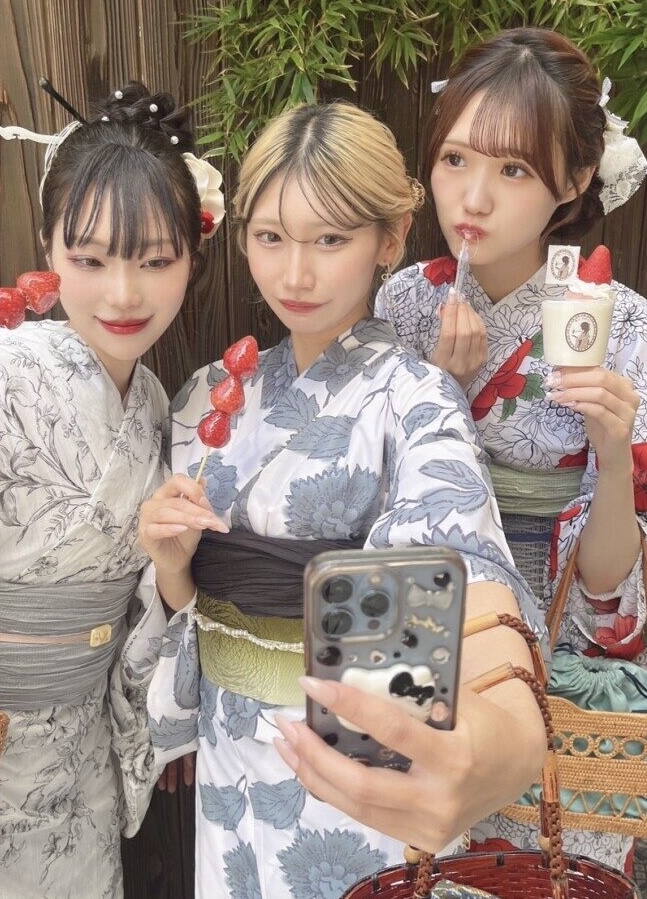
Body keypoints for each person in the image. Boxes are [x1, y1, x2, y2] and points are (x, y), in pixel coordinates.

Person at [140, 101, 549, 898]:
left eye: (329, 240)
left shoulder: (416, 400)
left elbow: (465, 569)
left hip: (357, 766)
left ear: (388, 240)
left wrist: (507, 733)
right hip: (230, 758)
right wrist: (173, 568)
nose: (295, 275)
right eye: (270, 237)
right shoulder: (204, 397)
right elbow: (188, 604)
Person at [0, 81, 224, 897]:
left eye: (155, 260)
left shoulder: (159, 405)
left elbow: (142, 610)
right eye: (88, 260)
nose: (122, 294)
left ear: (193, 255)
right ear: (45, 251)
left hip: (75, 783)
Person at [374, 27, 647, 870]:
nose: (473, 197)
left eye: (513, 170)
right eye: (454, 159)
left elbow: (615, 594)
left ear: (575, 179)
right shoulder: (401, 306)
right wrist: (437, 401)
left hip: (558, 676)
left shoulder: (631, 338)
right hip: (426, 659)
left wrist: (613, 453)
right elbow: (364, 501)